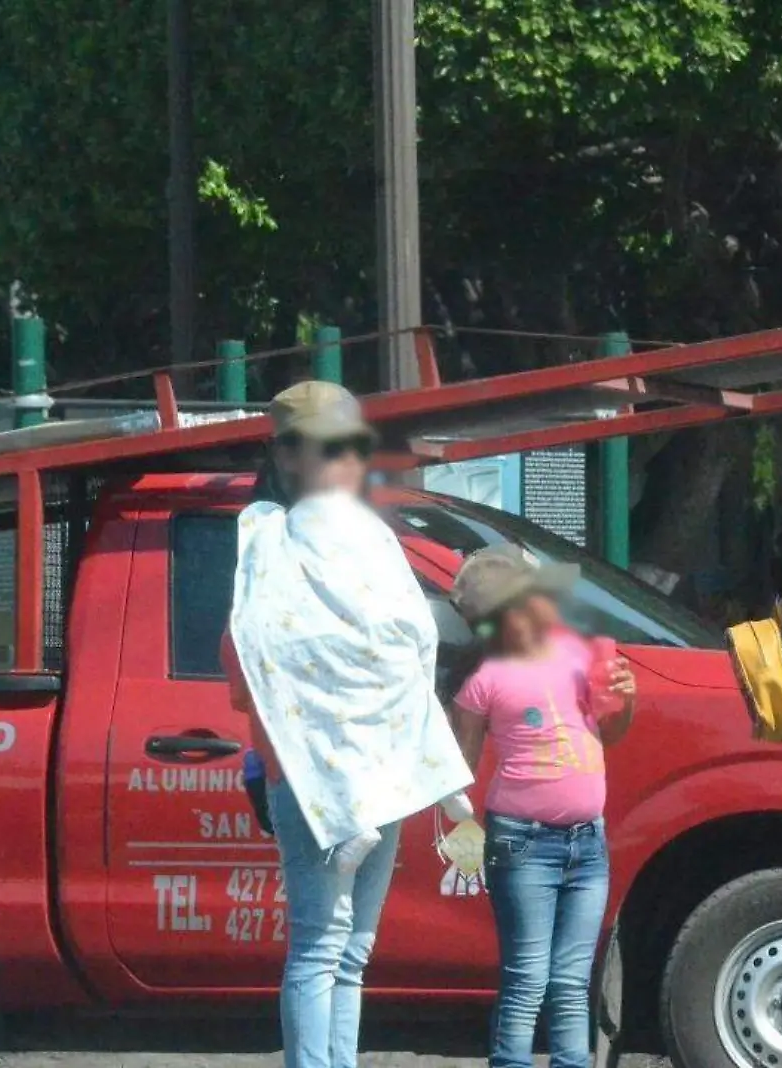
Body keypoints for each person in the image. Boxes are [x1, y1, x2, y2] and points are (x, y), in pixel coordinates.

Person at [221, 380, 474, 1068]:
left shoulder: (275, 539)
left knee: (327, 948)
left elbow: (245, 655)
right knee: (342, 952)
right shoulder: (366, 540)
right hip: (378, 767)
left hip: (314, 773)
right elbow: (419, 638)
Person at [444, 545, 637, 1068]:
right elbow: (458, 768)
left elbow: (611, 731)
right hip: (521, 841)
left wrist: (625, 695)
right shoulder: (484, 680)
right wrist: (459, 834)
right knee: (528, 977)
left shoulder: (579, 656)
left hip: (587, 840)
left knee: (573, 980)